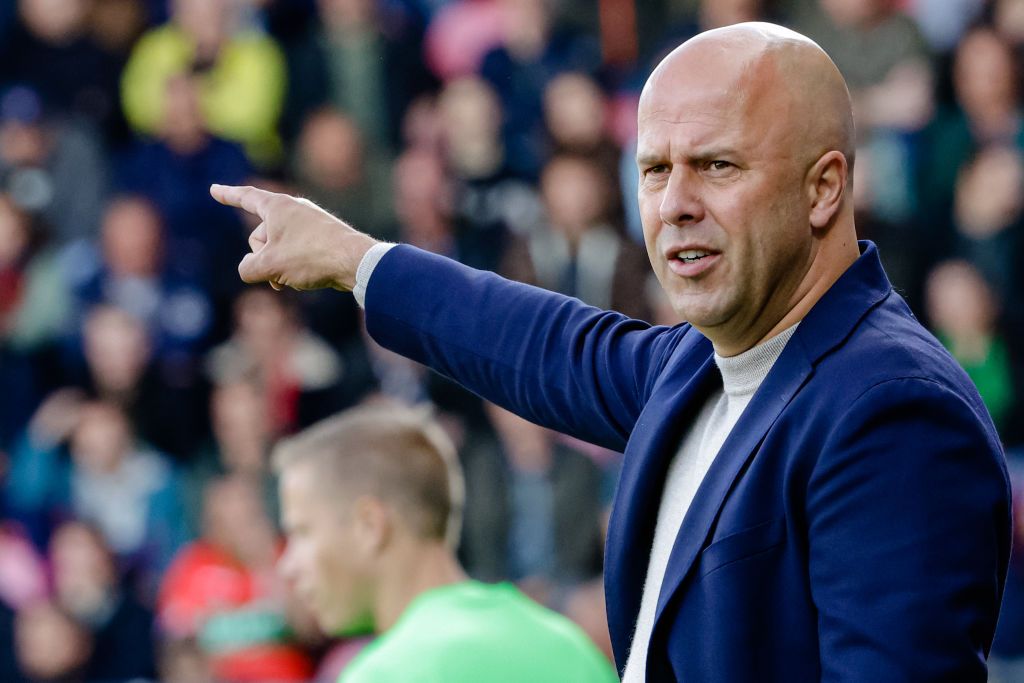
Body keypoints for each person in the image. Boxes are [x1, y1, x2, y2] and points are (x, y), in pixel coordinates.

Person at [211, 21, 1011, 682]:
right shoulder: (700, 366)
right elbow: (540, 341)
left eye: (716, 165)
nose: (675, 205)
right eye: (655, 169)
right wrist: (358, 260)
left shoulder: (893, 410)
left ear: (823, 189)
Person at [272, 403, 618, 682]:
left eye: (302, 532)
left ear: (370, 526)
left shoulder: (382, 674)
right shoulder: (569, 647)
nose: (287, 566)